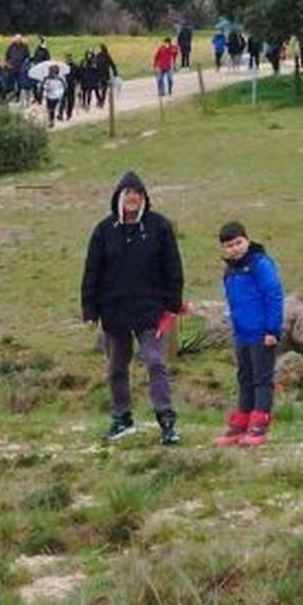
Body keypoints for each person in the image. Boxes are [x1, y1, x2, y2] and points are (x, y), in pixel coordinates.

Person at [81, 172, 184, 445]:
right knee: (116, 368)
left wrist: (173, 304)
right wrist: (89, 309)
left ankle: (166, 419)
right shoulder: (104, 230)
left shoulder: (159, 227)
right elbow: (92, 270)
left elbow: (173, 267)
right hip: (114, 312)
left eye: (137, 194)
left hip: (150, 311)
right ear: (119, 197)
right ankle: (121, 418)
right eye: (127, 193)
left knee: (154, 362)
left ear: (144, 198)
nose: (132, 198)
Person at [213, 222, 284, 446]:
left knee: (262, 379)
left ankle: (259, 424)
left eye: (238, 243)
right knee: (244, 378)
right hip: (241, 333)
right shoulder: (230, 270)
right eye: (229, 245)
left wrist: (272, 329)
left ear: (247, 240)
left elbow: (273, 295)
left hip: (262, 333)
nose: (234, 249)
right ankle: (241, 422)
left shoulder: (260, 264)